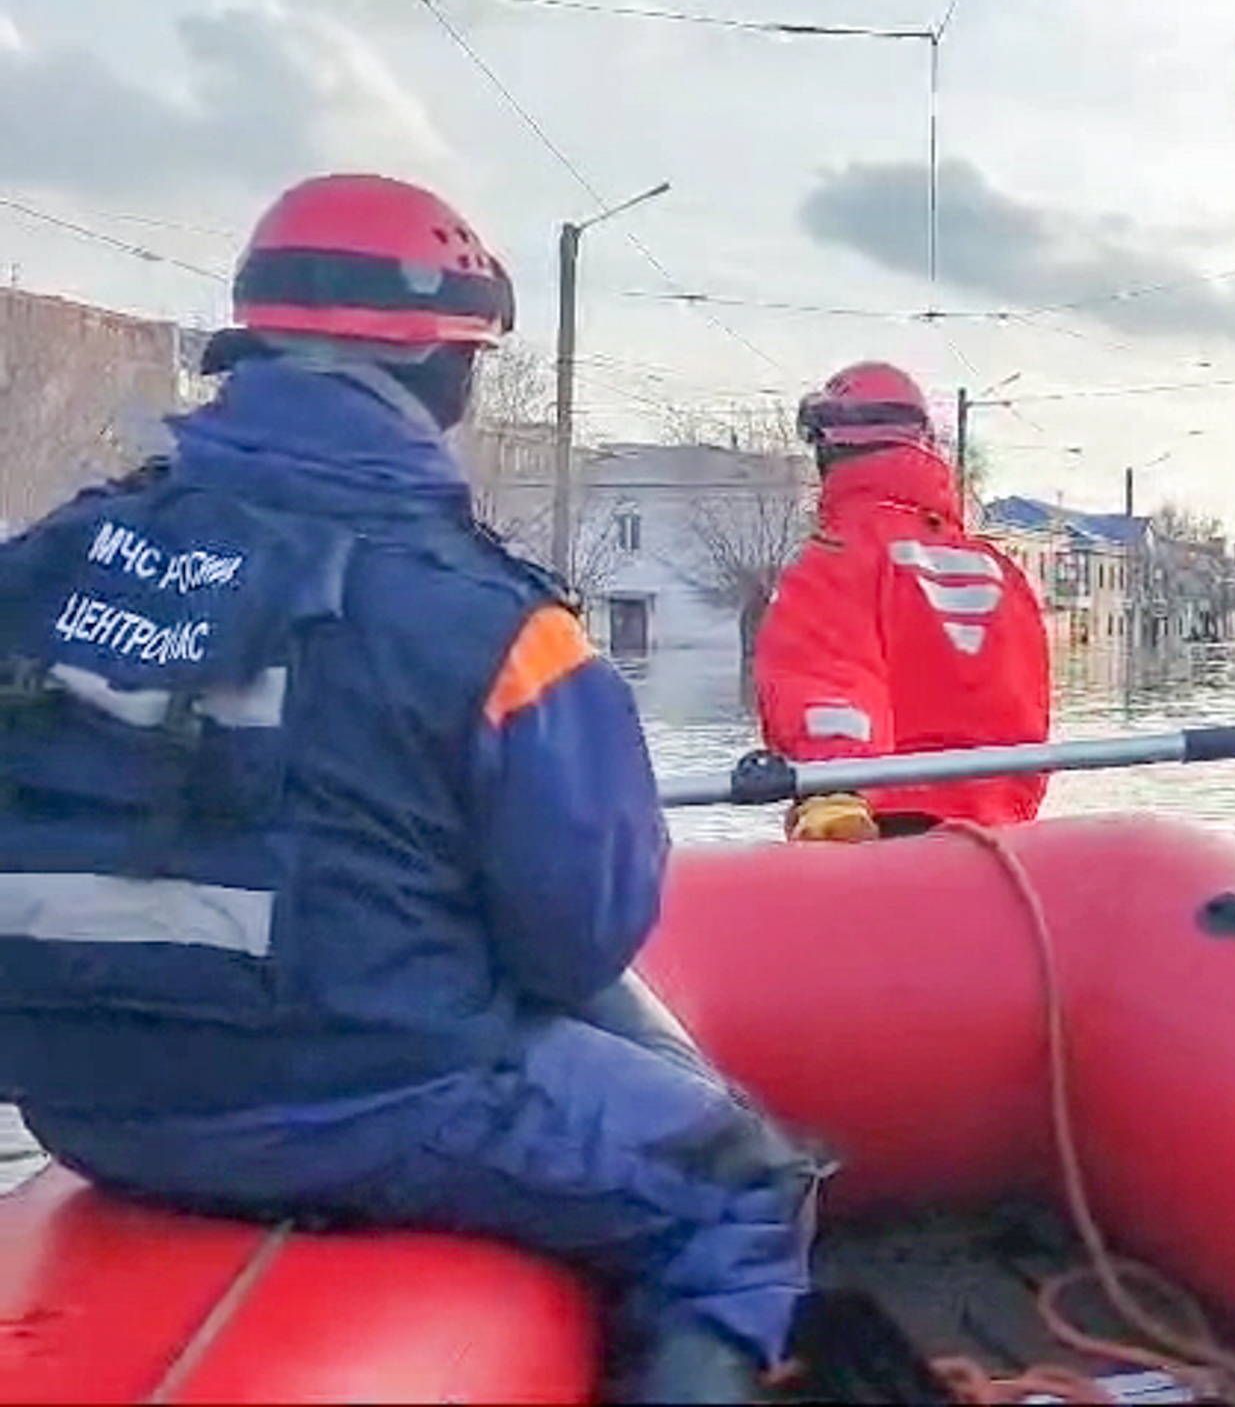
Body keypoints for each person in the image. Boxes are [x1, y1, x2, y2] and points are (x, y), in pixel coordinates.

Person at [0, 175, 817, 1402]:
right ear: (448, 376)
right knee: (743, 1183)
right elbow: (578, 936)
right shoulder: (491, 623)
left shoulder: (44, 565)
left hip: (78, 1101)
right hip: (363, 1099)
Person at [753, 362, 1051, 840]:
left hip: (885, 832)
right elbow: (1023, 712)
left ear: (829, 450)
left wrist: (835, 791)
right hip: (1000, 842)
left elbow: (826, 678)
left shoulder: (837, 558)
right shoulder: (1002, 571)